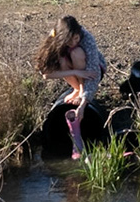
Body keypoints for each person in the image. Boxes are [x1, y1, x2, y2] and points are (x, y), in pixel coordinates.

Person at [34, 15, 106, 159]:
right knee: (61, 58)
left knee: (76, 52)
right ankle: (77, 88)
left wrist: (83, 104)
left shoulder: (87, 38)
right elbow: (46, 74)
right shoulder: (54, 37)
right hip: (77, 71)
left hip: (92, 71)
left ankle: (80, 90)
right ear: (62, 38)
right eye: (70, 39)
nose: (74, 41)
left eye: (77, 38)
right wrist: (74, 72)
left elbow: (94, 74)